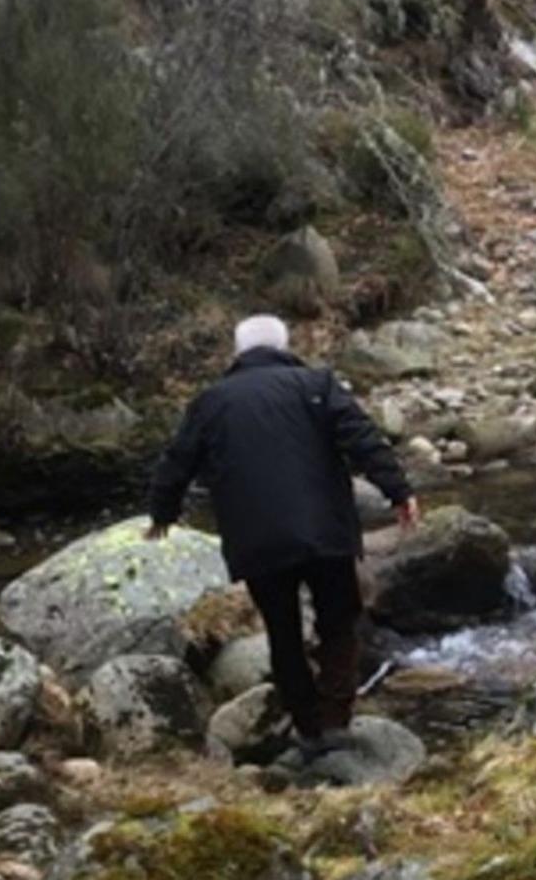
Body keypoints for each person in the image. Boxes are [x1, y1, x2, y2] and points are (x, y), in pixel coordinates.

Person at [146, 314, 419, 757]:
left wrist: (162, 513)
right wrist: (398, 492)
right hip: (325, 530)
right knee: (337, 622)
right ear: (284, 344)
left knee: (283, 632)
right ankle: (335, 721)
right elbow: (363, 439)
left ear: (238, 353)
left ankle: (308, 729)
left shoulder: (211, 402)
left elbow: (176, 463)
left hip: (257, 539)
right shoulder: (317, 384)